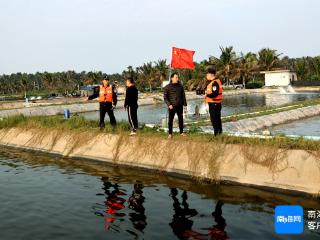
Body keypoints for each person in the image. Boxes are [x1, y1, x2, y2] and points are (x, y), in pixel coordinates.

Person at [163, 72, 187, 139]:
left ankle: (181, 132)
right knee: (170, 120)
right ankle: (170, 134)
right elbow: (165, 98)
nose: (177, 79)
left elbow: (183, 96)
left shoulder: (180, 86)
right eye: (176, 77)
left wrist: (185, 106)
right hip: (172, 106)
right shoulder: (167, 87)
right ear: (172, 78)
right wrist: (169, 104)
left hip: (180, 105)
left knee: (181, 119)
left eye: (178, 77)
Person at [205, 67, 223, 136]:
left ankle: (216, 134)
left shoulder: (215, 83)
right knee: (217, 118)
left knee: (214, 119)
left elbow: (215, 94)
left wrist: (207, 94)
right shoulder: (216, 82)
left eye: (207, 75)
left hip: (214, 104)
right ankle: (219, 133)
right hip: (216, 103)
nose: (206, 76)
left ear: (211, 75)